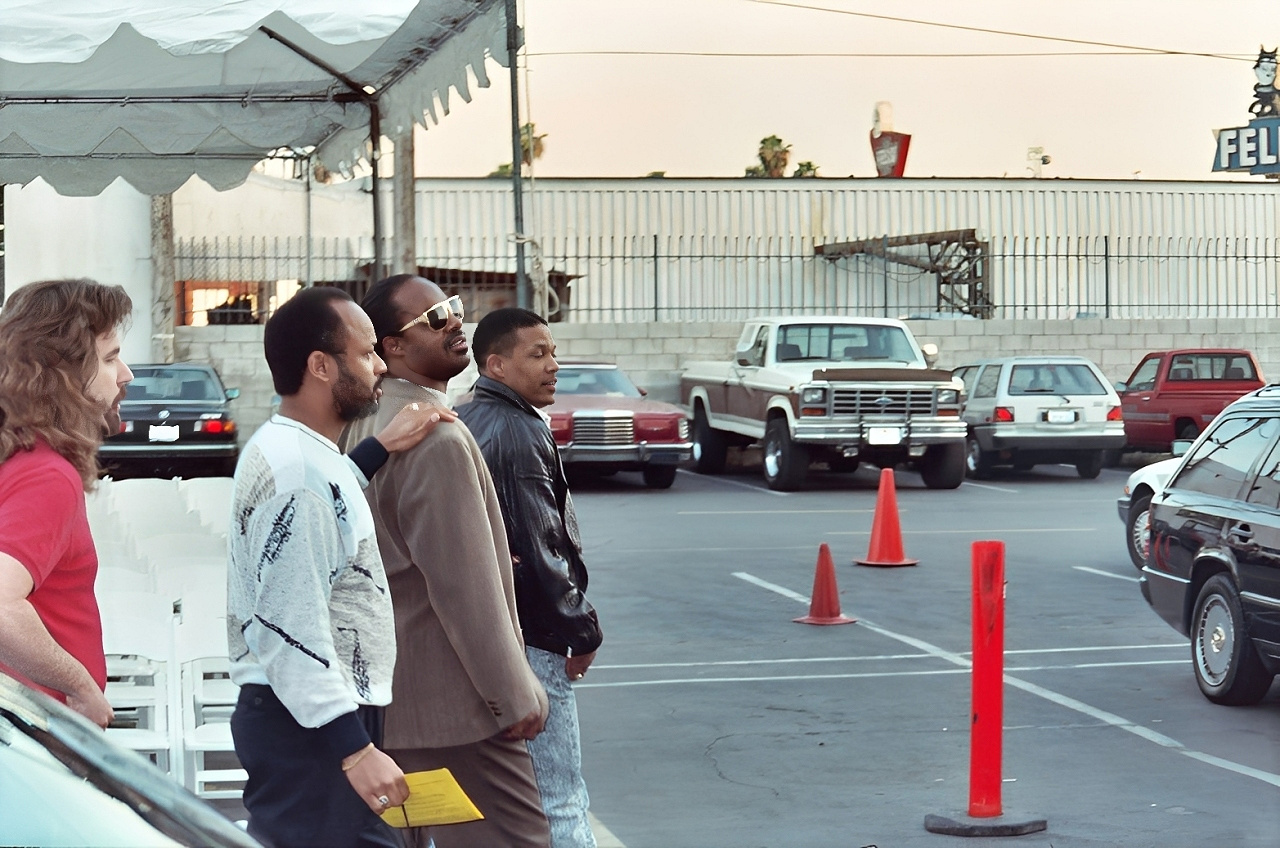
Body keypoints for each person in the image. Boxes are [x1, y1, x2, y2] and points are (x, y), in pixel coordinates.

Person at [227, 285, 456, 848]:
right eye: (367, 353)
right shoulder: (298, 478)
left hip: (310, 719)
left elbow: (323, 520)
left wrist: (376, 450)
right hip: (309, 730)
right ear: (321, 366)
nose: (381, 364)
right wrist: (354, 751)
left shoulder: (303, 453)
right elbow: (288, 629)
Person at [343, 275, 551, 848]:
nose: (455, 322)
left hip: (394, 706)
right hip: (458, 713)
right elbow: (463, 590)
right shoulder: (434, 437)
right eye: (433, 319)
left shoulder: (367, 426)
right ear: (392, 348)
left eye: (453, 309)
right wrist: (513, 695)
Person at [455, 308, 604, 848]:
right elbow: (541, 550)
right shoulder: (518, 432)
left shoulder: (467, 415)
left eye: (554, 352)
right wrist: (582, 632)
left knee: (486, 801)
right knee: (559, 800)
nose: (553, 365)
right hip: (535, 641)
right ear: (495, 364)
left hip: (484, 639)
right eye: (537, 354)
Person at [0, 278, 133, 729]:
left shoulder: (19, 457)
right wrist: (79, 688)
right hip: (39, 726)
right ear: (65, 373)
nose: (126, 374)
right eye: (110, 358)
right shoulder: (47, 474)